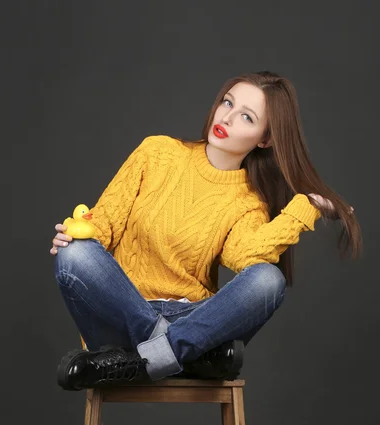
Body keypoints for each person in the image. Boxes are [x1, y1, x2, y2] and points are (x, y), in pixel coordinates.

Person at [51, 70, 362, 391]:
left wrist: (306, 205)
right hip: (122, 315)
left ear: (265, 139)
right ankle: (186, 354)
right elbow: (105, 222)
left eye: (246, 116)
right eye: (227, 103)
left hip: (186, 317)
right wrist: (80, 235)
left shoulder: (248, 202)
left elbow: (250, 259)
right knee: (74, 253)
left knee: (269, 281)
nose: (227, 117)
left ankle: (145, 359)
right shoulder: (156, 153)